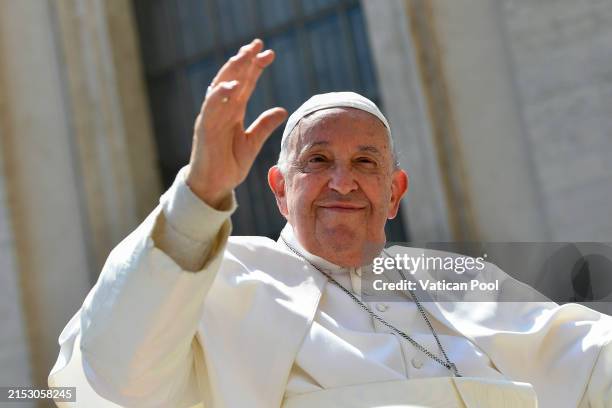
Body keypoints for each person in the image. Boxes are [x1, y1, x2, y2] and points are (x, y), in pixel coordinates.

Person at [49, 39, 611, 408]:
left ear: (394, 193)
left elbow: (588, 354)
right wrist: (199, 196)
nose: (342, 182)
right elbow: (114, 372)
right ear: (278, 189)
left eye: (365, 163)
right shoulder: (223, 278)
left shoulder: (459, 280)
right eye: (317, 161)